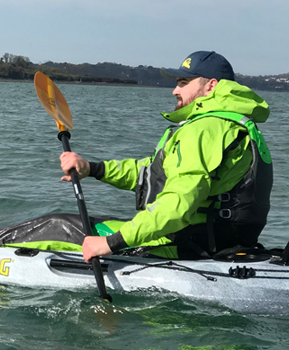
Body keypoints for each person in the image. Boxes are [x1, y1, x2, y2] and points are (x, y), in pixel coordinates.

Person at [58, 50, 273, 263]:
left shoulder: (205, 129)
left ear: (211, 86)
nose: (174, 90)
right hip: (221, 240)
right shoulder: (233, 124)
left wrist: (111, 243)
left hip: (187, 243)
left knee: (57, 228)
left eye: (183, 82)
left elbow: (178, 202)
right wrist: (93, 169)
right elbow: (154, 174)